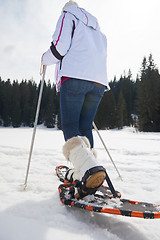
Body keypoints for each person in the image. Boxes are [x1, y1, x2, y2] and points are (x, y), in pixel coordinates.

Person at [41, 1, 110, 198]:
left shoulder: (68, 16)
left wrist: (45, 59)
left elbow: (60, 48)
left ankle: (90, 170)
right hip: (97, 82)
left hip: (74, 78)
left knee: (71, 126)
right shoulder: (99, 32)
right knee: (85, 126)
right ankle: (85, 172)